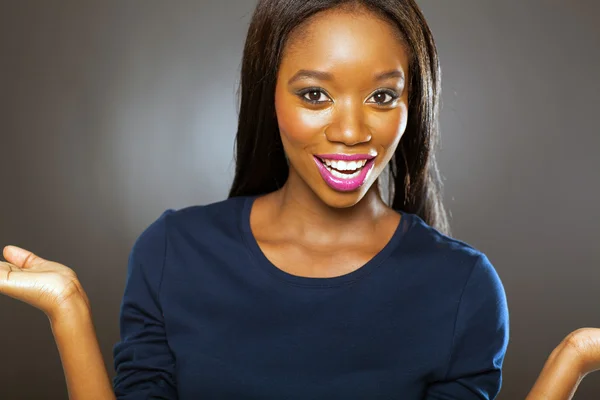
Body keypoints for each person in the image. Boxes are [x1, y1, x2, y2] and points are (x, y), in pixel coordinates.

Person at [0, 0, 595, 399]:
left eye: (383, 98)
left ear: (414, 107)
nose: (351, 131)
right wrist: (68, 308)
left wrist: (574, 357)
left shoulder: (462, 285)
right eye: (315, 95)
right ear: (270, 97)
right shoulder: (173, 251)